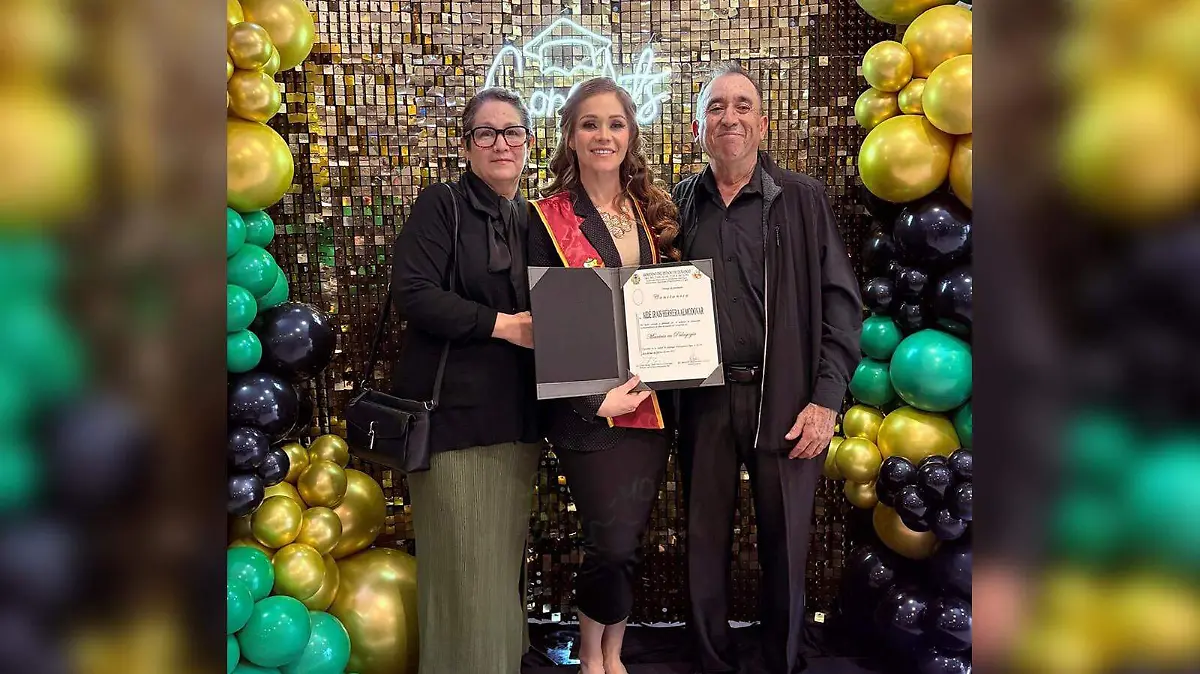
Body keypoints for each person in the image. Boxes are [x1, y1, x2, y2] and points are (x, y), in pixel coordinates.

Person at [671, 63, 863, 674]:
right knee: (702, 543)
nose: (729, 117)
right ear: (699, 125)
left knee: (787, 545)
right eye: (716, 107)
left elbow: (841, 303)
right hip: (701, 399)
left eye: (743, 106)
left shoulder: (800, 199)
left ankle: (781, 662)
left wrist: (827, 400)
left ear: (763, 122)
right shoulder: (678, 204)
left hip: (785, 399)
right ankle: (710, 660)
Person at [527, 77, 680, 674]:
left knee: (628, 543)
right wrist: (594, 400)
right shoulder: (543, 218)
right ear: (570, 135)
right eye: (590, 123)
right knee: (608, 544)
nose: (603, 135)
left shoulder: (652, 213)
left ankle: (613, 653)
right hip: (589, 411)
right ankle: (592, 658)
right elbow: (547, 322)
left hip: (652, 404)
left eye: (615, 123)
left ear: (630, 135)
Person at [391, 87, 541, 674]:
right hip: (454, 422)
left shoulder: (529, 216)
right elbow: (414, 292)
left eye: (513, 131)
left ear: (529, 141)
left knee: (499, 572)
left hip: (517, 422)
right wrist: (502, 325)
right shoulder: (442, 205)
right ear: (466, 146)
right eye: (487, 132)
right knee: (463, 576)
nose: (501, 143)